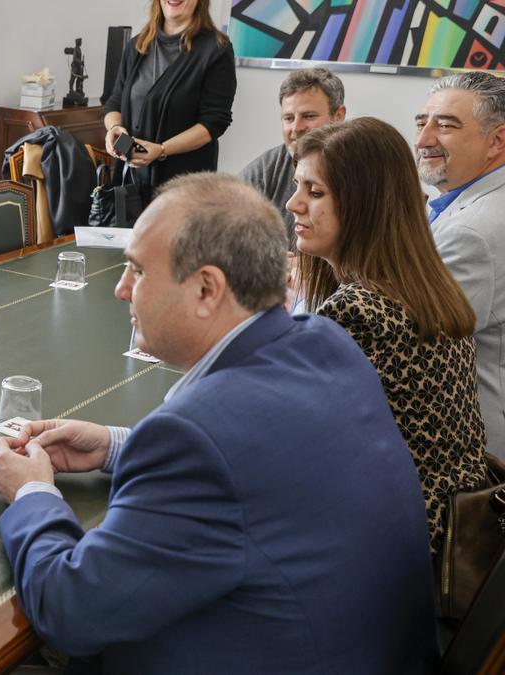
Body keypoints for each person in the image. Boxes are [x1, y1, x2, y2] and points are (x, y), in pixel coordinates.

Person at [0, 173, 436, 672]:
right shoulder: (325, 342)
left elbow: (69, 609)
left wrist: (32, 493)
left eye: (136, 271)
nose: (121, 289)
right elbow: (258, 461)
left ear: (206, 289)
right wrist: (115, 446)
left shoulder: (195, 440)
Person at [290, 117, 487, 553]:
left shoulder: (357, 309)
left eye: (315, 192)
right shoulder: (425, 288)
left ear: (365, 204)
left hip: (394, 544)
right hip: (451, 528)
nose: (293, 204)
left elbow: (282, 438)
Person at [417, 71, 505, 461]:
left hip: (468, 459)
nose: (423, 140)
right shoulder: (456, 206)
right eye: (422, 124)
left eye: (446, 126)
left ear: (496, 141)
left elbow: (411, 342)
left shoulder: (472, 232)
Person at [102, 0, 236, 202]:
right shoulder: (137, 46)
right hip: (132, 185)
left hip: (185, 187)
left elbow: (214, 122)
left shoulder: (216, 49)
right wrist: (114, 128)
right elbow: (114, 102)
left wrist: (162, 150)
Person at [239, 67, 346, 239]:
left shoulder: (362, 170)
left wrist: (306, 264)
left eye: (309, 116)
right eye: (288, 118)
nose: (296, 128)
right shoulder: (264, 171)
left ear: (339, 116)